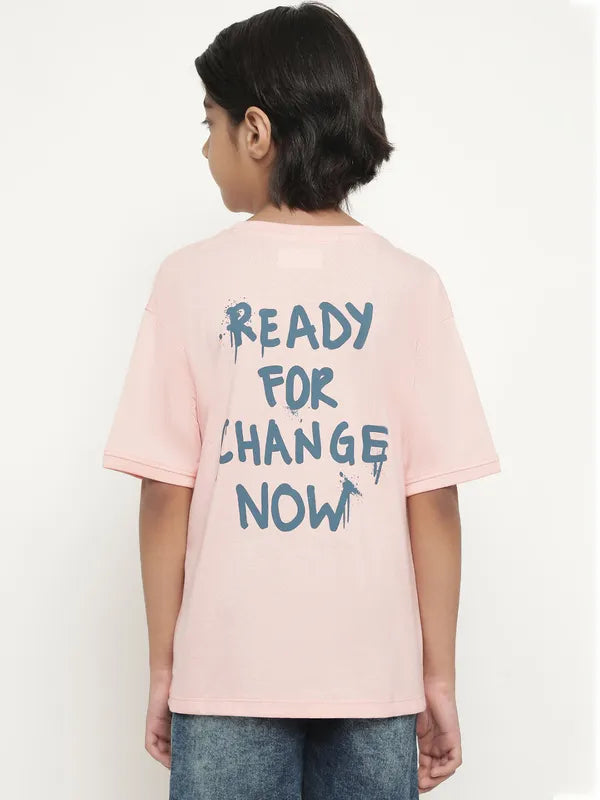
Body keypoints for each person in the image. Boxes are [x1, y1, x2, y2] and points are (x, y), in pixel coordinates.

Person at [102, 3, 501, 798]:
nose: (206, 146)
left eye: (210, 123)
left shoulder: (188, 281)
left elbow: (164, 492)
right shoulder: (411, 287)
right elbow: (434, 499)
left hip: (226, 680)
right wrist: (438, 678)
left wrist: (165, 667)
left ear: (255, 131)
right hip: (375, 682)